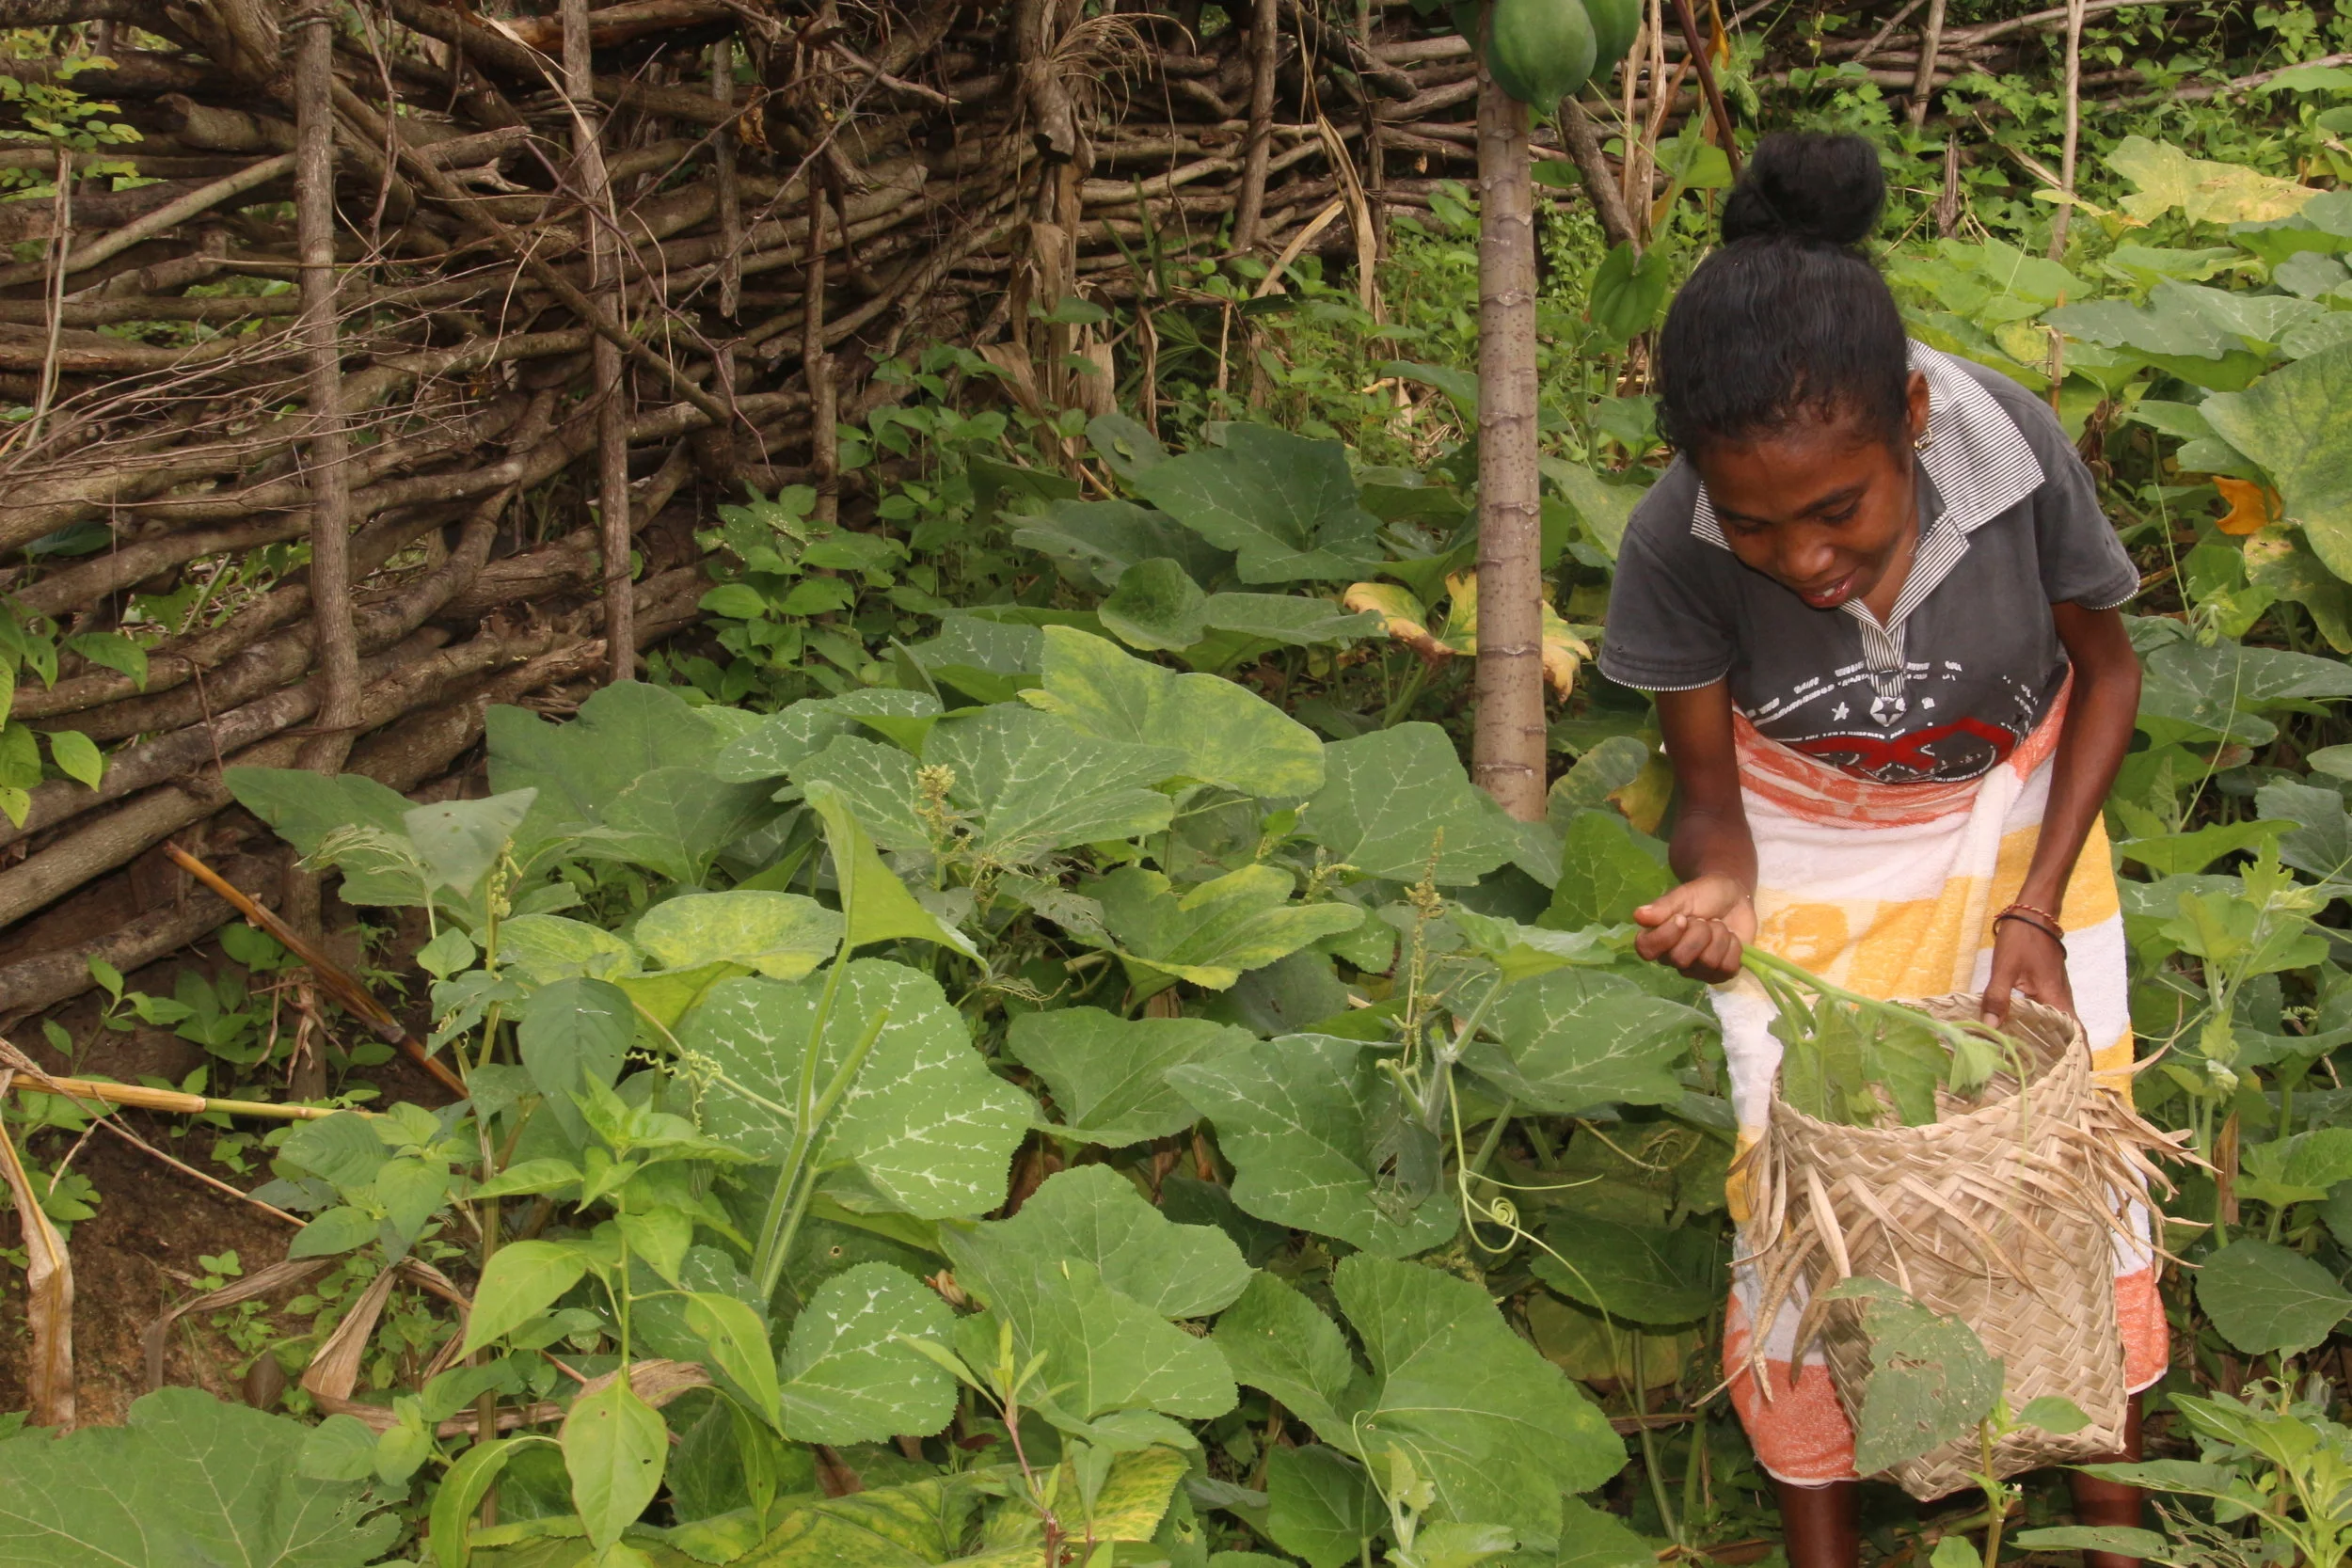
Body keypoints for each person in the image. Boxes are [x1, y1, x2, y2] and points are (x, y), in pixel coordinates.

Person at [1597, 132, 2160, 1568]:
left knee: (2057, 1170)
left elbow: (2110, 670)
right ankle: (1823, 1529)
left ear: (1911, 414)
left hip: (2018, 816)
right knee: (1800, 1191)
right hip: (1806, 834)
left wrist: (2033, 909)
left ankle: (2111, 1530)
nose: (1800, 559)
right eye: (1757, 523)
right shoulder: (1673, 540)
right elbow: (1709, 794)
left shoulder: (2015, 451)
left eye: (1836, 510)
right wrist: (1719, 885)